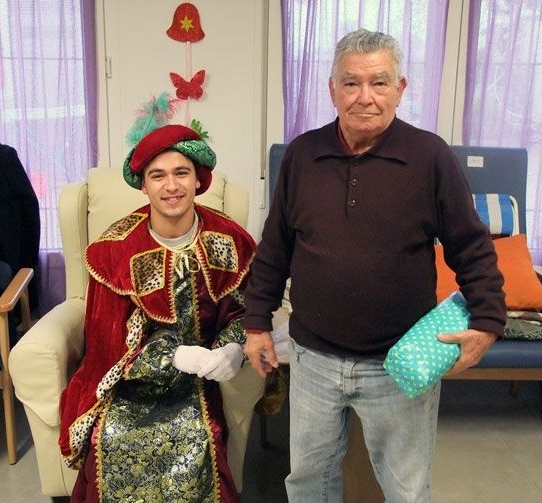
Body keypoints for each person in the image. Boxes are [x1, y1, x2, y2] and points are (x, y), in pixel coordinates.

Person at [243, 28, 506, 502]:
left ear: (400, 89)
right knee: (308, 481)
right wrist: (257, 322)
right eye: (351, 83)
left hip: (398, 362)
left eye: (379, 82)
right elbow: (275, 246)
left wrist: (488, 320)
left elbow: (471, 244)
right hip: (312, 358)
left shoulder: (431, 156)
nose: (365, 97)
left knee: (406, 489)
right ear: (332, 90)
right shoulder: (302, 154)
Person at [58, 120, 257, 502]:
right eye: (158, 175)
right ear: (144, 185)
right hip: (129, 384)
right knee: (110, 437)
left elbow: (248, 310)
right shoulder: (114, 251)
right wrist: (172, 355)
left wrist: (234, 347)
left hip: (199, 382)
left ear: (198, 180)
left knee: (199, 436)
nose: (171, 186)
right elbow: (107, 341)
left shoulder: (230, 240)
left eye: (181, 173)